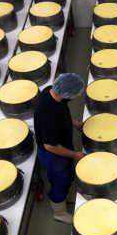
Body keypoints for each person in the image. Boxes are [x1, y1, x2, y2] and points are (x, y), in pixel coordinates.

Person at [34, 73, 86, 223]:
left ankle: (68, 178)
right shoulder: (49, 115)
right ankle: (59, 213)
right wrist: (75, 154)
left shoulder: (50, 91)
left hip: (60, 143)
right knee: (60, 181)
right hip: (53, 154)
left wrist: (74, 122)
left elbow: (63, 109)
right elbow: (50, 146)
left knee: (67, 173)